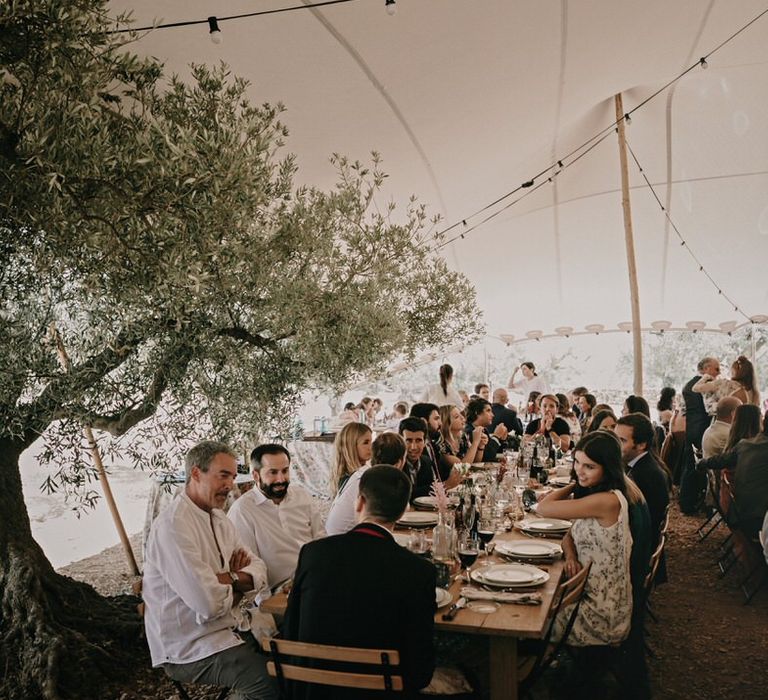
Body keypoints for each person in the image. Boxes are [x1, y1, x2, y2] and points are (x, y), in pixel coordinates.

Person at [283, 465, 436, 699]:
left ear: (359, 502)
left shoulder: (313, 553)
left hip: (312, 691)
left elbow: (290, 629)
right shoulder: (418, 571)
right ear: (403, 511)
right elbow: (420, 671)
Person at [142, 441, 276, 700]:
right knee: (267, 685)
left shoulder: (219, 518)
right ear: (195, 473)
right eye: (223, 475)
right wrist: (238, 583)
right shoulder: (174, 527)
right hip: (190, 644)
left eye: (234, 477)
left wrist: (229, 579)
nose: (230, 485)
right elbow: (208, 605)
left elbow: (260, 570)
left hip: (230, 626)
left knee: (292, 649)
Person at [537, 431, 645, 647]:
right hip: (592, 598)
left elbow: (543, 507)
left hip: (602, 616)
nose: (580, 470)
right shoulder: (602, 494)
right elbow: (569, 535)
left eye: (590, 466)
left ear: (608, 468)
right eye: (577, 462)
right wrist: (570, 557)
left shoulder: (606, 501)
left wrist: (574, 484)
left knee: (531, 619)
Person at [228, 444, 326, 589]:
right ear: (256, 475)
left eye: (285, 471)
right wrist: (267, 605)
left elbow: (321, 540)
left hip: (316, 578)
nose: (281, 479)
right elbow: (250, 566)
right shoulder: (242, 510)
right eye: (273, 472)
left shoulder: (302, 496)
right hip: (279, 589)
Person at [697, 410, 768, 536]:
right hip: (757, 519)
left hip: (737, 509)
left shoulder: (745, 444)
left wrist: (703, 462)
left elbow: (720, 460)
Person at [325, 432, 407, 536]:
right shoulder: (373, 480)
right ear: (399, 463)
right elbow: (382, 521)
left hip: (333, 537)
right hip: (343, 542)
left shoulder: (365, 472)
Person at [615, 414, 671, 548]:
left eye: (621, 440)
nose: (614, 445)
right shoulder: (642, 464)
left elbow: (630, 522)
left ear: (641, 445)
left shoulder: (645, 475)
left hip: (639, 547)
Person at [680, 357, 720, 513]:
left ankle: (687, 503)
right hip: (703, 429)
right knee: (704, 468)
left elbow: (684, 411)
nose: (719, 372)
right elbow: (711, 410)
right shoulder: (705, 385)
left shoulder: (688, 385)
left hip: (691, 429)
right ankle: (703, 504)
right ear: (706, 368)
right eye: (716, 369)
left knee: (689, 466)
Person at [693, 355, 760, 410]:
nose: (719, 372)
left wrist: (706, 377)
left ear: (734, 371)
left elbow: (695, 388)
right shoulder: (755, 393)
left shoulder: (724, 384)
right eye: (717, 369)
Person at [329, 422, 372, 498]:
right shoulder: (353, 479)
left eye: (371, 441)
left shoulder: (360, 472)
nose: (371, 446)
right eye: (366, 443)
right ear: (351, 447)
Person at [399, 416, 439, 499]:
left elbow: (429, 492)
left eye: (418, 440)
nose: (413, 447)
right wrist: (445, 485)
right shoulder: (395, 463)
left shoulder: (426, 461)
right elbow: (402, 494)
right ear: (401, 441)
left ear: (425, 442)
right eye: (408, 441)